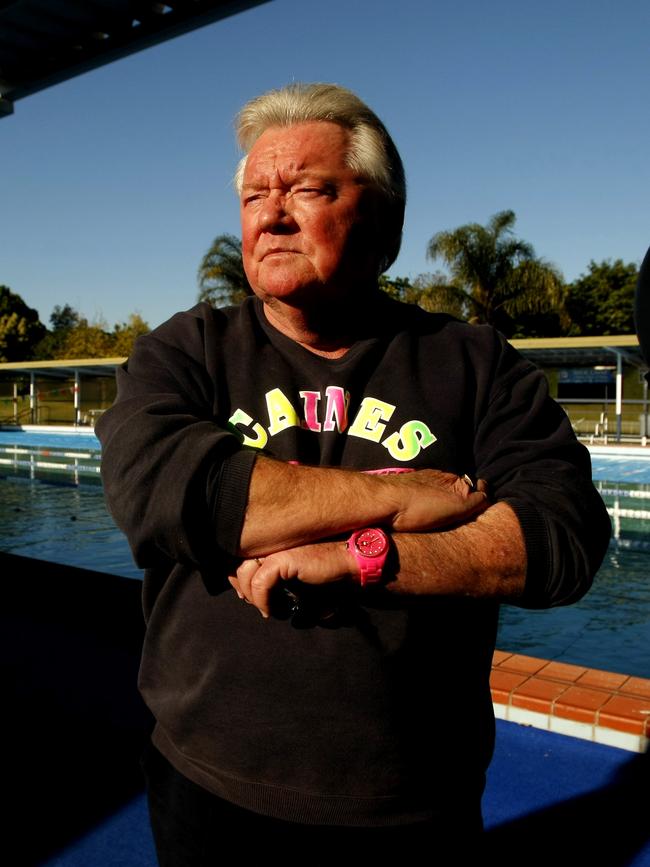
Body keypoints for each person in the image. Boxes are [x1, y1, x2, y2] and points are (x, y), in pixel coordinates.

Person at [96, 83, 610, 862]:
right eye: (256, 194)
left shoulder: (473, 364)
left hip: (413, 805)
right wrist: (399, 494)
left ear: (382, 218)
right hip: (211, 788)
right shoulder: (184, 352)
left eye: (306, 188)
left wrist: (366, 558)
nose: (271, 213)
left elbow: (564, 532)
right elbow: (169, 491)